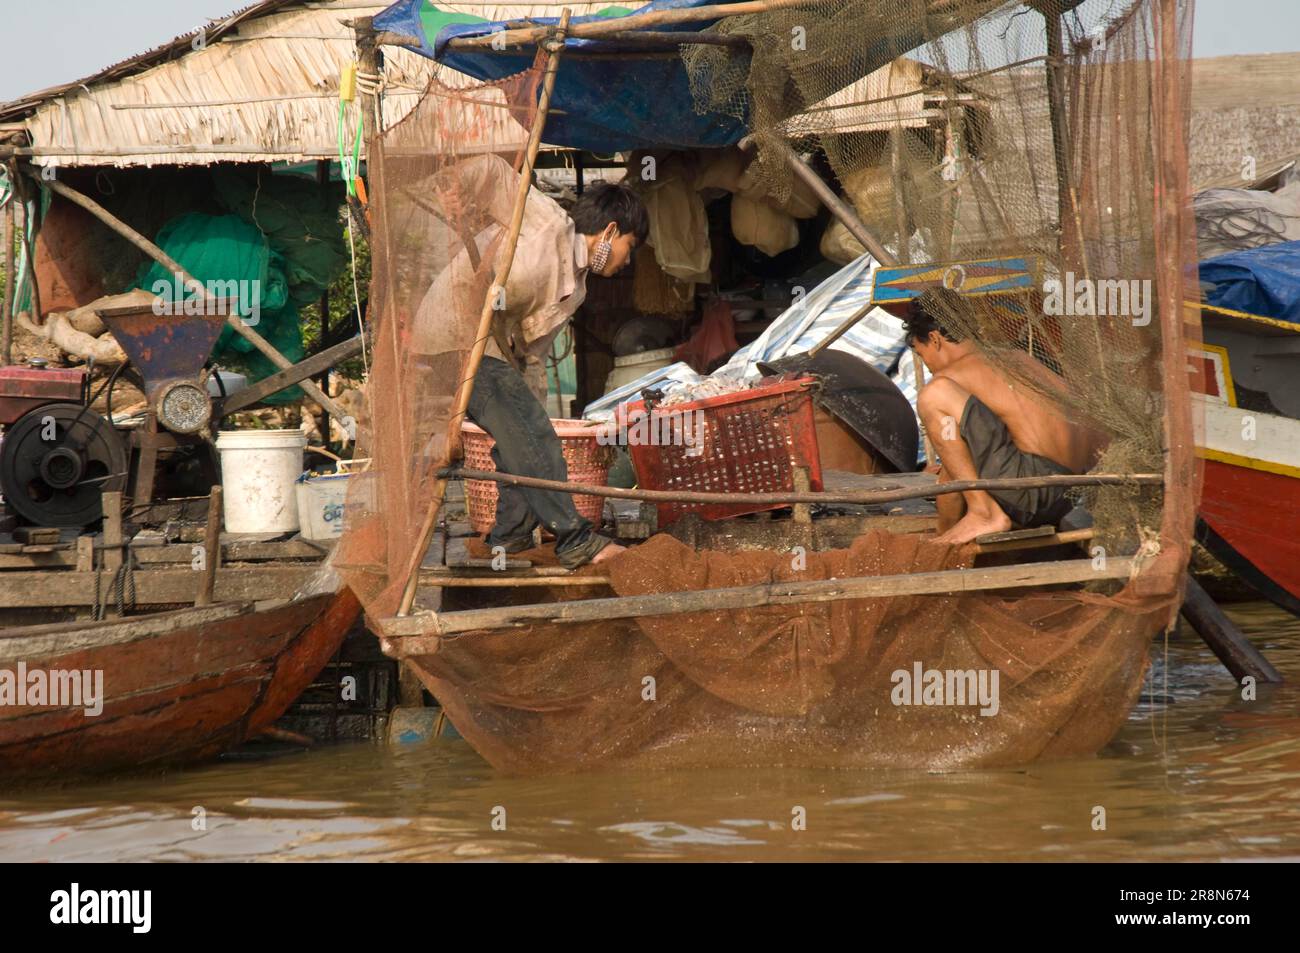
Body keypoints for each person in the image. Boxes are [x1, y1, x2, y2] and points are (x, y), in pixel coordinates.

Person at [413, 154, 649, 569]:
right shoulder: (549, 223)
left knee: (524, 435)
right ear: (611, 232)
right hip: (452, 334)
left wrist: (535, 412)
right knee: (533, 436)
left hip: (488, 348)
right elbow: (494, 173)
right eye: (629, 248)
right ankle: (575, 540)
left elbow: (530, 358)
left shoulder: (575, 290)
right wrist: (455, 184)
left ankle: (509, 540)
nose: (626, 261)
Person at [903, 288, 1103, 545]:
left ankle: (984, 514)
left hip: (1036, 491)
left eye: (922, 354)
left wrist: (942, 536)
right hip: (1074, 492)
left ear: (935, 339)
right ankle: (986, 512)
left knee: (932, 394)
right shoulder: (1019, 358)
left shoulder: (950, 377)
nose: (928, 367)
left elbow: (951, 482)